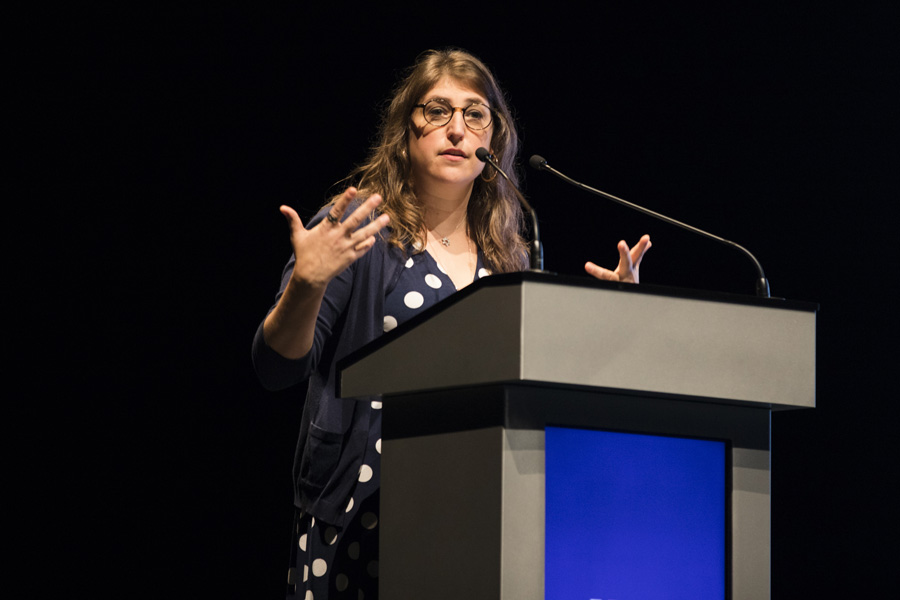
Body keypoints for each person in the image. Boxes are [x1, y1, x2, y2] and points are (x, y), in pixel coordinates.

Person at [252, 48, 651, 599]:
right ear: (406, 130)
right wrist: (307, 283)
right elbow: (275, 365)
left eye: (475, 114)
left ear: (494, 138)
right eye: (437, 111)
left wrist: (610, 322)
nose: (457, 129)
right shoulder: (359, 230)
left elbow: (544, 391)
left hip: (480, 520)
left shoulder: (509, 257)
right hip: (361, 522)